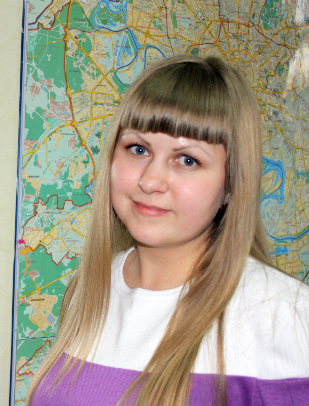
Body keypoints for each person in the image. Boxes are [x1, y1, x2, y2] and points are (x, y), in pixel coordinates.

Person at [27, 55, 309, 405]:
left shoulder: (286, 315)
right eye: (138, 149)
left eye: (188, 160)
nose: (150, 181)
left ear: (231, 184)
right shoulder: (90, 287)